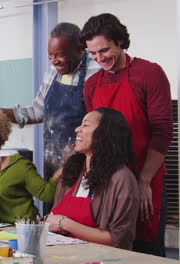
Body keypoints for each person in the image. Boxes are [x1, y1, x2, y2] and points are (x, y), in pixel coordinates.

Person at [80, 13, 173, 256]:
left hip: (146, 176)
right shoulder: (91, 84)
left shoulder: (149, 73)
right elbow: (93, 136)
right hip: (108, 183)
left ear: (120, 41)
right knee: (107, 250)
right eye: (92, 54)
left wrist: (143, 181)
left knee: (145, 251)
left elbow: (162, 131)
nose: (99, 58)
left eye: (104, 50)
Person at [0, 23, 100, 198]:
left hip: (84, 165)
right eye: (50, 56)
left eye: (60, 55)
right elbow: (37, 111)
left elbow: (101, 125)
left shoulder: (95, 72)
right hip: (52, 166)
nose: (54, 61)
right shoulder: (53, 71)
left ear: (80, 49)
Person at [46, 107, 139, 250]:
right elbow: (52, 221)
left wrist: (65, 224)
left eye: (85, 125)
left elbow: (117, 239)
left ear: (105, 134)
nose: (77, 129)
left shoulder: (122, 179)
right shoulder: (71, 172)